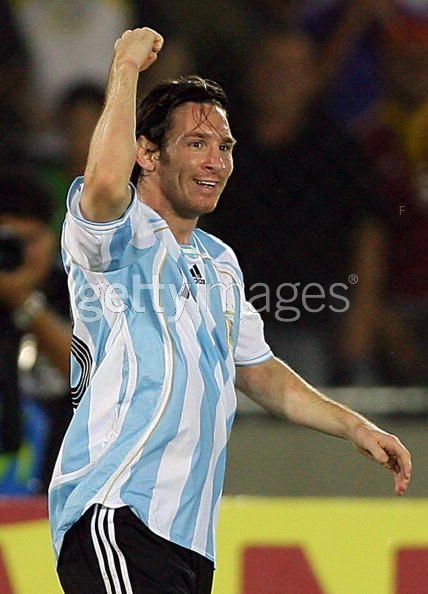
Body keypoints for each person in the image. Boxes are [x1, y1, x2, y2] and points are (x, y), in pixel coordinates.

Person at [48, 27, 412, 594]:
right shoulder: (114, 238)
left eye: (226, 147)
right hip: (117, 512)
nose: (216, 161)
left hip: (189, 540)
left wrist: (354, 425)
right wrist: (125, 68)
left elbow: (259, 371)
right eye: (197, 143)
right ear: (147, 152)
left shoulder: (218, 261)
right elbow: (102, 182)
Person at [0, 168, 72, 491]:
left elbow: (87, 374)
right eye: (7, 241)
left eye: (29, 241)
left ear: (52, 237)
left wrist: (24, 303)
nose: (19, 254)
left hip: (57, 478)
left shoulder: (78, 292)